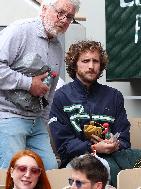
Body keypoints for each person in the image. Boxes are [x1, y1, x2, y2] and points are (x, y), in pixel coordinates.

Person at [49, 40, 141, 186]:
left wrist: (115, 145)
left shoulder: (114, 96)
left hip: (115, 158)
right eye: (85, 61)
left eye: (95, 61)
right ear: (74, 64)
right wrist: (93, 148)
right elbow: (64, 146)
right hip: (77, 162)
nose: (91, 66)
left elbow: (124, 139)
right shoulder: (61, 97)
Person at [0, 0, 81, 170]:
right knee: (12, 173)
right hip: (8, 116)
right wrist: (29, 84)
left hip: (37, 122)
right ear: (44, 9)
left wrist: (43, 122)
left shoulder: (58, 48)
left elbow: (49, 93)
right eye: (60, 13)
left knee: (50, 170)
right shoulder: (19, 30)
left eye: (70, 17)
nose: (64, 20)